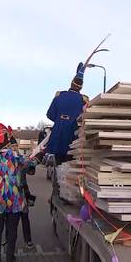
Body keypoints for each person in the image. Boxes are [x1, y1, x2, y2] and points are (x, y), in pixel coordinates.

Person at [0, 123, 38, 262]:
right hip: (15, 198)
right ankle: (10, 257)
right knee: (12, 228)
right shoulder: (15, 157)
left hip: (0, 198)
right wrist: (34, 156)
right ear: (8, 143)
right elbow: (30, 167)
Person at [46, 63, 89, 205]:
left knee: (58, 167)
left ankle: (57, 193)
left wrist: (60, 120)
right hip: (72, 137)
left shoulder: (59, 96)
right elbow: (85, 119)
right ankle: (69, 196)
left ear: (71, 83)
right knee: (72, 168)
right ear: (81, 87)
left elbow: (50, 114)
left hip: (57, 137)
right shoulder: (83, 100)